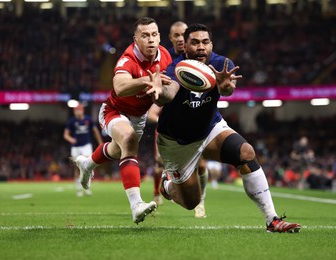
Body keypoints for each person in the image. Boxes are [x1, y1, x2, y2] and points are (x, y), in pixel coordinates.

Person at [153, 23, 301, 232]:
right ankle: (168, 186)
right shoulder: (175, 67)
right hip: (177, 143)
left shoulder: (222, 64)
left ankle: (272, 219)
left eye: (205, 42)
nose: (201, 47)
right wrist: (159, 91)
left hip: (209, 129)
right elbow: (167, 94)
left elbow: (228, 89)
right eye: (194, 42)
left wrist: (225, 87)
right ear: (185, 46)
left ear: (212, 44)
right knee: (191, 203)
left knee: (246, 153)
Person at [71, 17, 173, 224]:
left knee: (118, 149)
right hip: (114, 111)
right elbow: (119, 86)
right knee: (128, 139)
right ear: (135, 39)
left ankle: (87, 164)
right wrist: (147, 79)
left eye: (154, 35)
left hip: (139, 117)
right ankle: (136, 205)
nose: (151, 40)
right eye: (145, 36)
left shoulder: (165, 56)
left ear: (160, 37)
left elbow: (168, 89)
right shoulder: (128, 59)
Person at [148, 21, 208, 218]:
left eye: (184, 34)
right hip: (170, 122)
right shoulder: (165, 61)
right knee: (159, 163)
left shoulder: (197, 58)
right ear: (171, 37)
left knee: (201, 165)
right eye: (177, 35)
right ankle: (159, 192)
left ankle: (201, 201)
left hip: (195, 116)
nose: (181, 38)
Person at [64, 104, 104, 197]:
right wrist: (71, 139)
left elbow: (95, 131)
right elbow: (66, 134)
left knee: (87, 165)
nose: (77, 112)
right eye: (75, 110)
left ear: (82, 110)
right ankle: (79, 189)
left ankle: (87, 188)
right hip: (75, 147)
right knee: (77, 168)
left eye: (79, 110)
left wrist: (100, 143)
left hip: (86, 145)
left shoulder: (88, 120)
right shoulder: (71, 121)